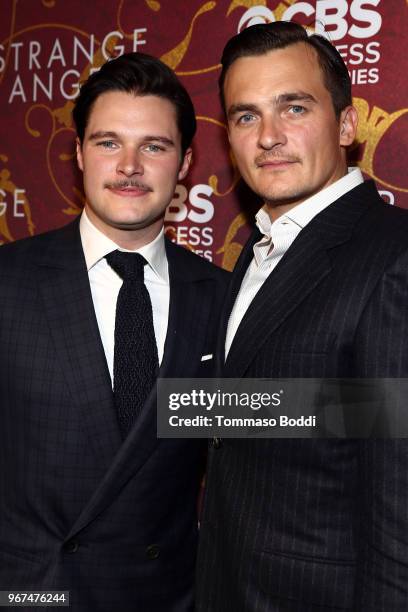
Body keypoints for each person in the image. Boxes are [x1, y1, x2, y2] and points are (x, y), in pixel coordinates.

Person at [0, 52, 228, 611]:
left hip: (165, 595)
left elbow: (271, 424)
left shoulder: (222, 297)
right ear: (78, 154)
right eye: (108, 143)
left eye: (153, 146)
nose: (129, 165)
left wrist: (379, 407)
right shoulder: (7, 281)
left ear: (185, 163)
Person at [196, 21, 408, 611]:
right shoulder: (260, 248)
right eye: (245, 116)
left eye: (293, 107)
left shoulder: (393, 255)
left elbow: (399, 491)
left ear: (345, 124)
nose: (268, 136)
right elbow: (284, 410)